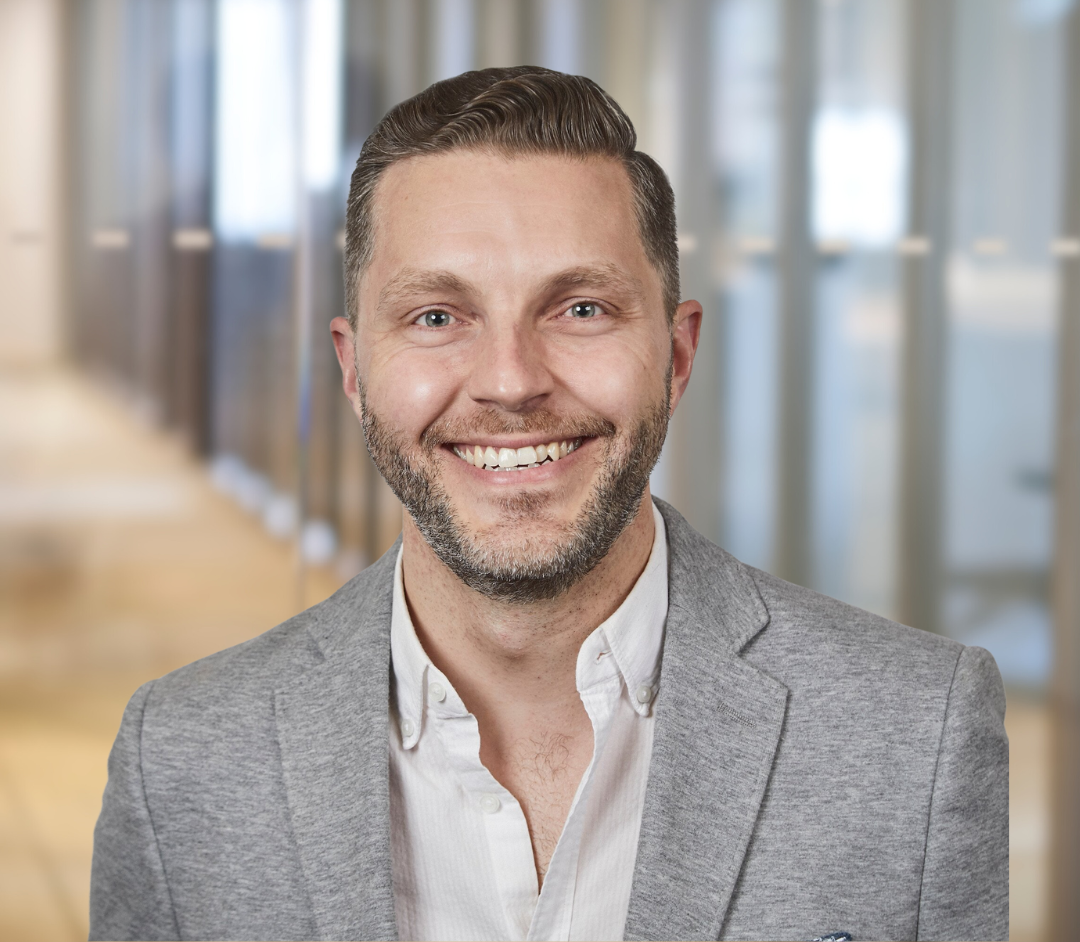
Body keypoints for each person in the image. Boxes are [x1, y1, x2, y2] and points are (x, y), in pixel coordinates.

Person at [89, 67, 1008, 942]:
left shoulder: (917, 734)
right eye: (437, 317)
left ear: (677, 356)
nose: (511, 383)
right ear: (354, 369)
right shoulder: (182, 762)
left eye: (580, 310)